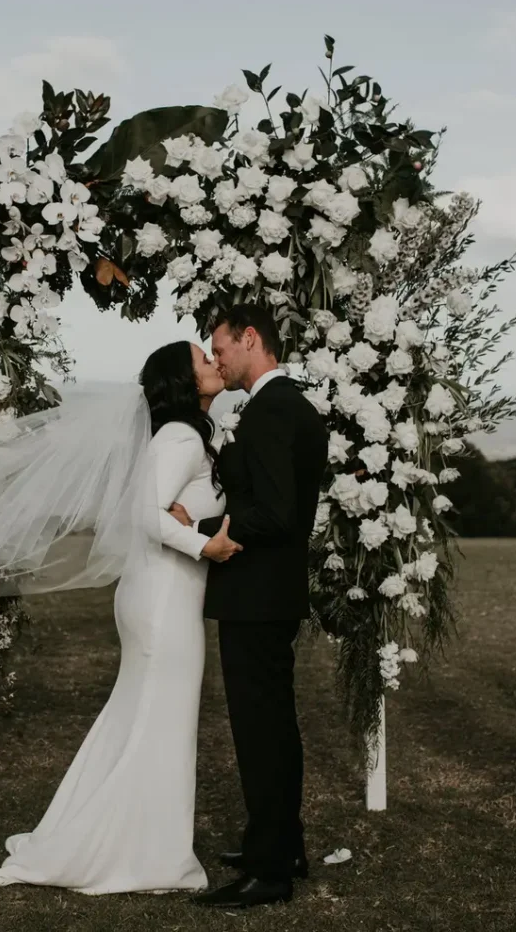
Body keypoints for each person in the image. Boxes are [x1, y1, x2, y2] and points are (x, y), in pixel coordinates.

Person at [0, 341, 242, 893]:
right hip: (164, 599)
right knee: (161, 724)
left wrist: (193, 522)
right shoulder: (180, 438)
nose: (213, 362)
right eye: (202, 359)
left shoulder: (186, 436)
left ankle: (116, 839)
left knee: (138, 719)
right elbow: (148, 514)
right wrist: (206, 546)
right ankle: (146, 856)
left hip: (161, 594)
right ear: (183, 380)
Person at [170, 305, 329, 910]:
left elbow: (274, 514)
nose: (218, 360)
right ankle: (283, 845)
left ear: (251, 338)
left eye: (221, 348)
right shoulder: (290, 407)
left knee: (260, 732)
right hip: (272, 592)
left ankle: (269, 871)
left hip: (256, 593)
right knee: (275, 726)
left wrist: (198, 527)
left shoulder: (269, 411)